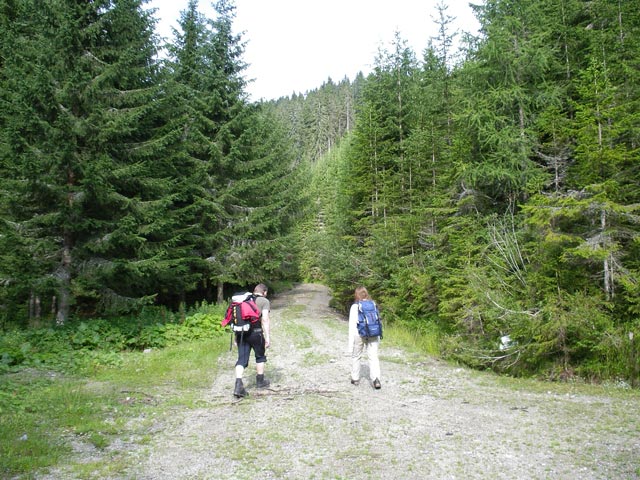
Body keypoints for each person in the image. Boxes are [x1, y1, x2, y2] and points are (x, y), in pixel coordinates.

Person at [233, 283, 271, 398]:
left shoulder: (243, 301)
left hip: (241, 333)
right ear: (264, 292)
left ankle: (238, 384)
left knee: (241, 359)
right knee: (260, 356)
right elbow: (264, 319)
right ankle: (260, 381)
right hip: (256, 333)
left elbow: (238, 320)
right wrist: (268, 336)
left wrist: (236, 336)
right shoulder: (264, 301)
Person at [347, 286, 382, 389]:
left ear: (356, 295)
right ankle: (376, 380)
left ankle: (355, 379)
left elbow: (352, 326)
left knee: (356, 356)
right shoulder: (373, 304)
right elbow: (377, 321)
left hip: (359, 334)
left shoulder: (355, 307)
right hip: (373, 333)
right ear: (366, 294)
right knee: (373, 357)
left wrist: (350, 346)